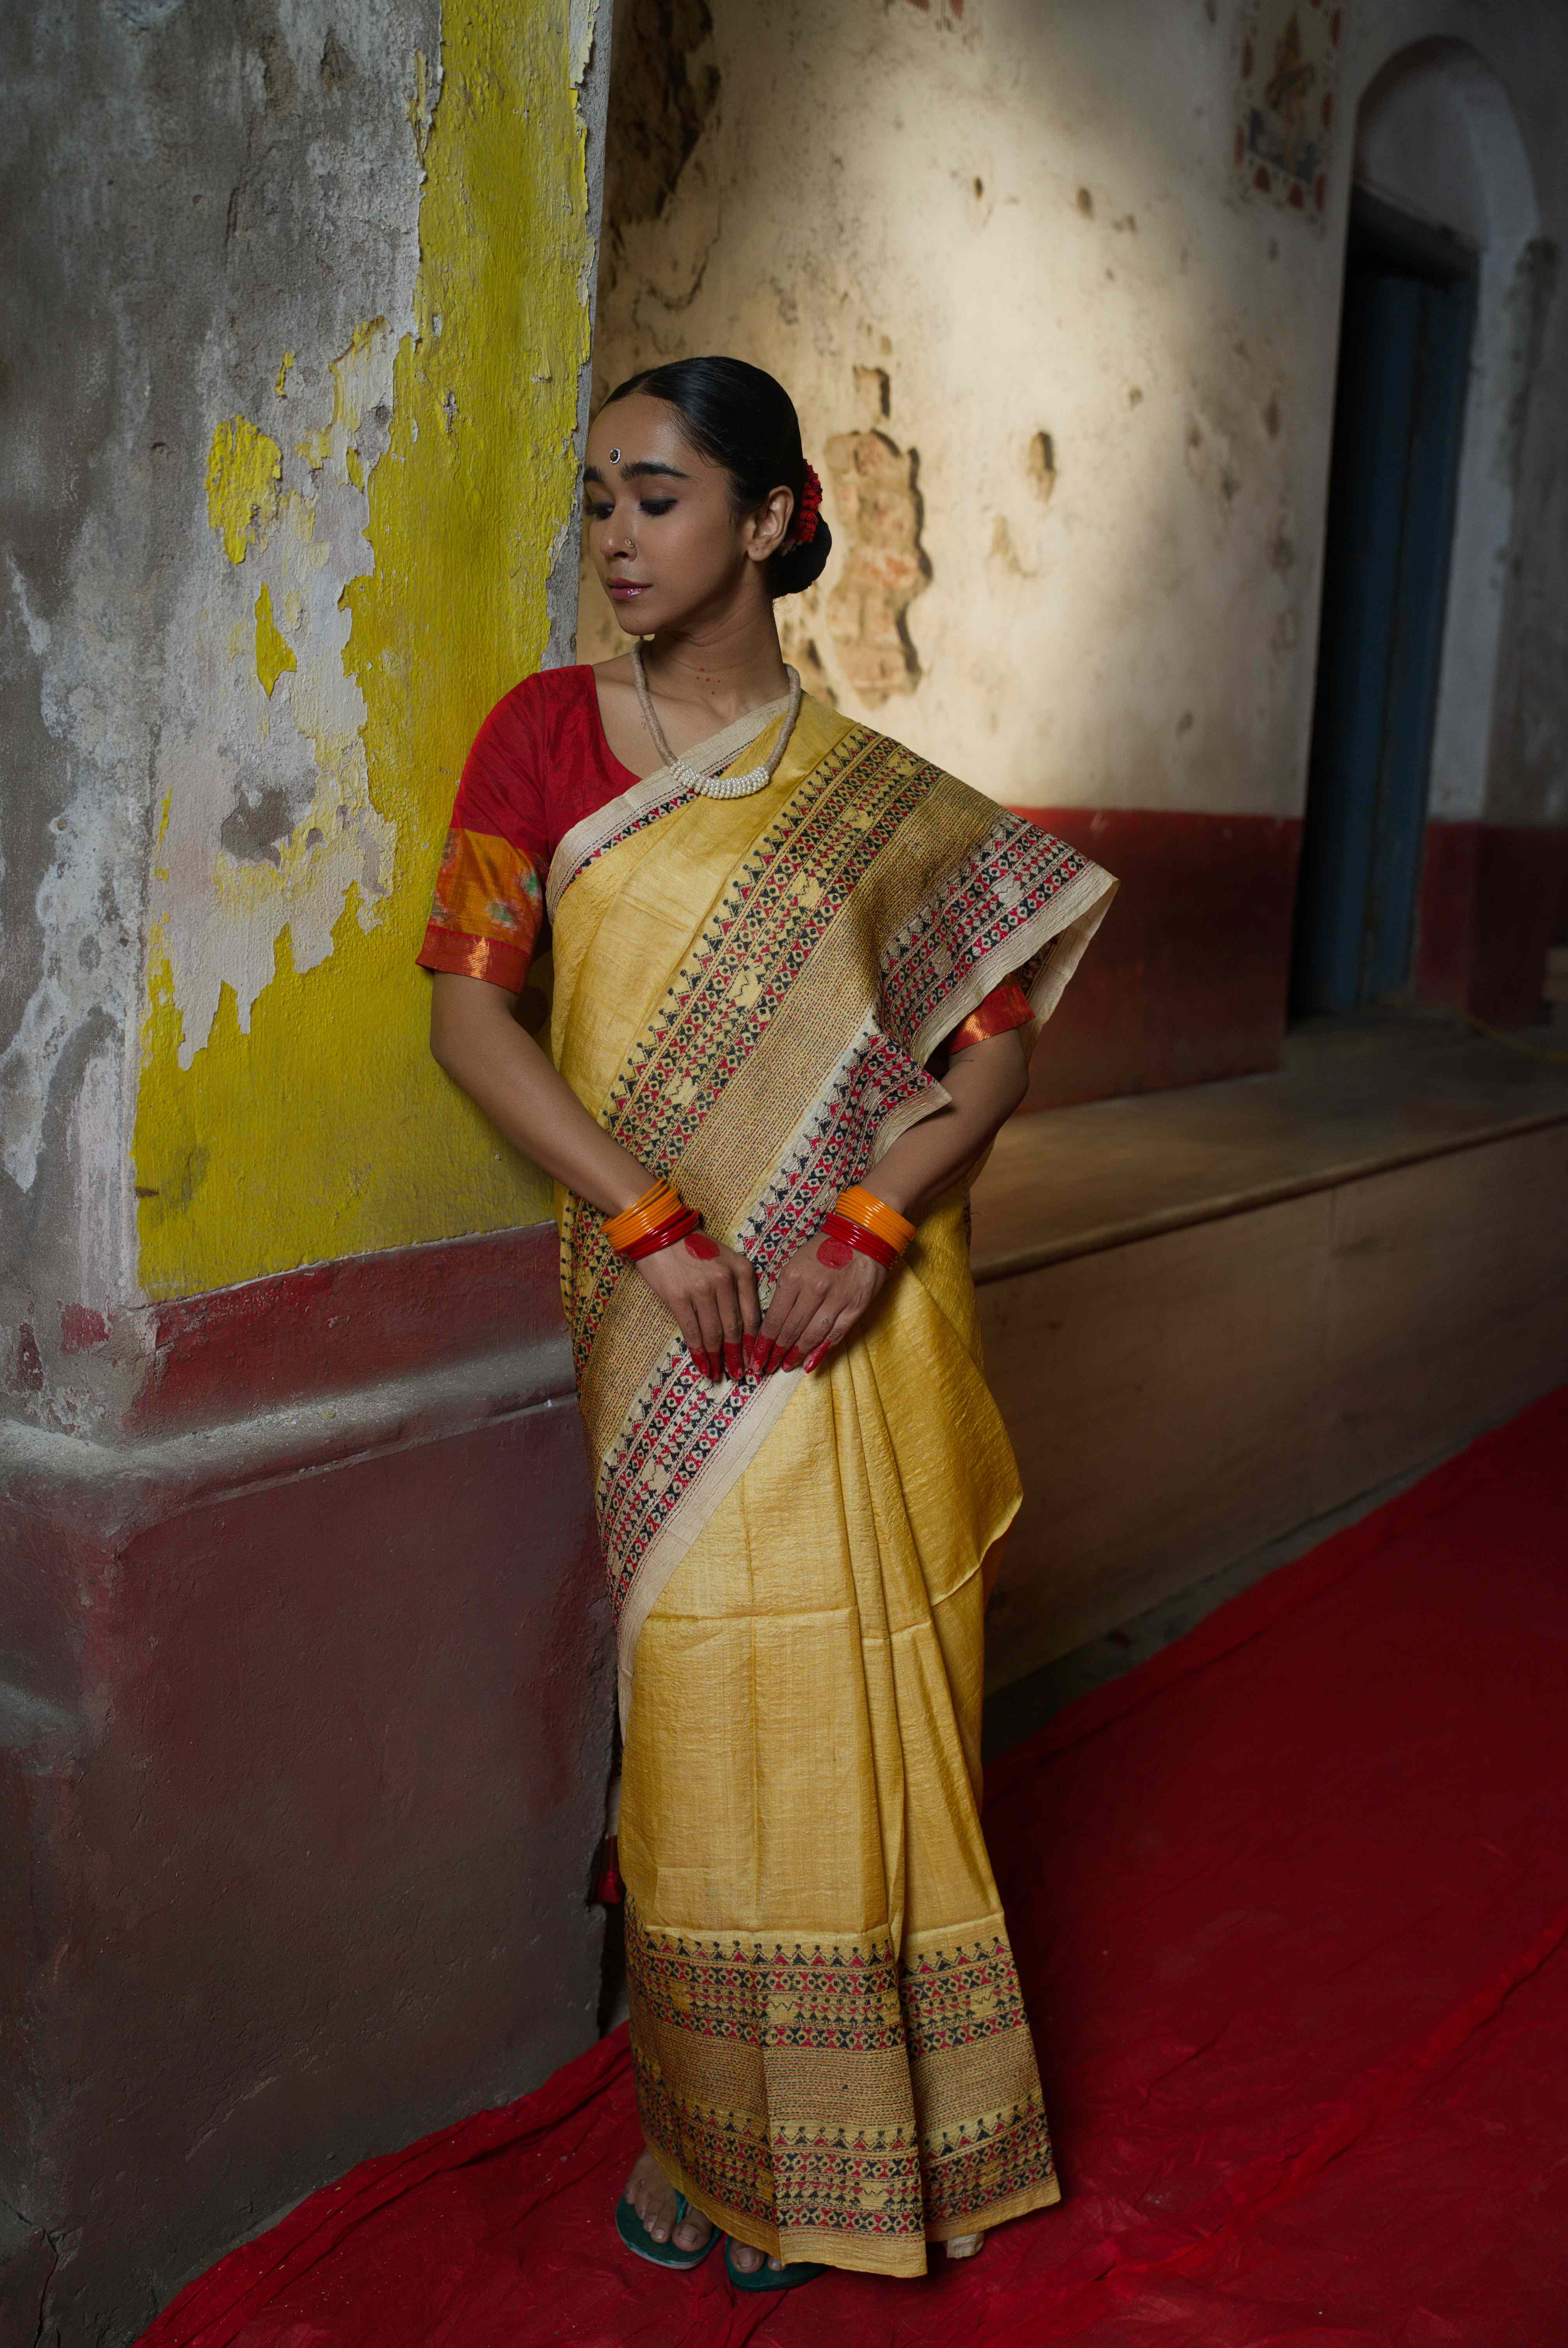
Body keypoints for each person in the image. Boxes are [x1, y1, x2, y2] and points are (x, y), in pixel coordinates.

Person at [418, 356, 1116, 2290]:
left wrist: (876, 1224)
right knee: (707, 1704)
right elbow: (471, 1020)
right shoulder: (542, 742)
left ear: (774, 517)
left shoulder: (884, 804)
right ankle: (706, 2138)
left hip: (845, 1308)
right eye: (598, 504)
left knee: (858, 1686)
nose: (616, 538)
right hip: (663, 1306)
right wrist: (648, 1220)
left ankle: (876, 2148)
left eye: (655, 496)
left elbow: (991, 1056)